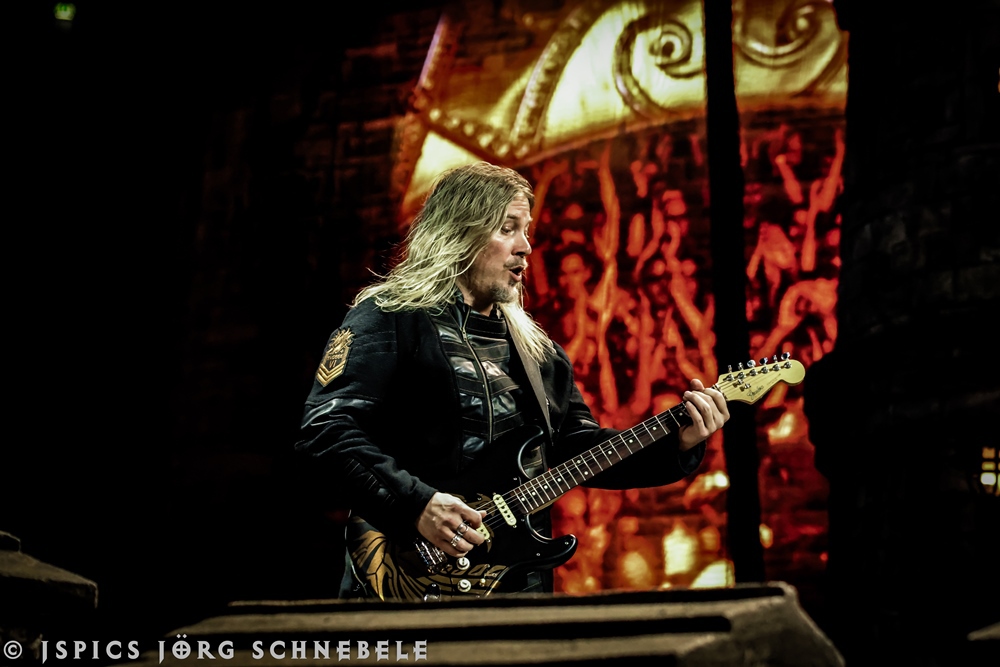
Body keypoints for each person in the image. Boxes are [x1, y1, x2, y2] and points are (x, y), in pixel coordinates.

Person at [295, 162, 730, 600]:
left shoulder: (540, 353)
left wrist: (678, 441)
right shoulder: (390, 317)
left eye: (526, 230)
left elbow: (578, 448)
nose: (526, 246)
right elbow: (326, 429)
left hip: (516, 586)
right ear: (458, 232)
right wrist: (417, 504)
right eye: (508, 229)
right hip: (407, 579)